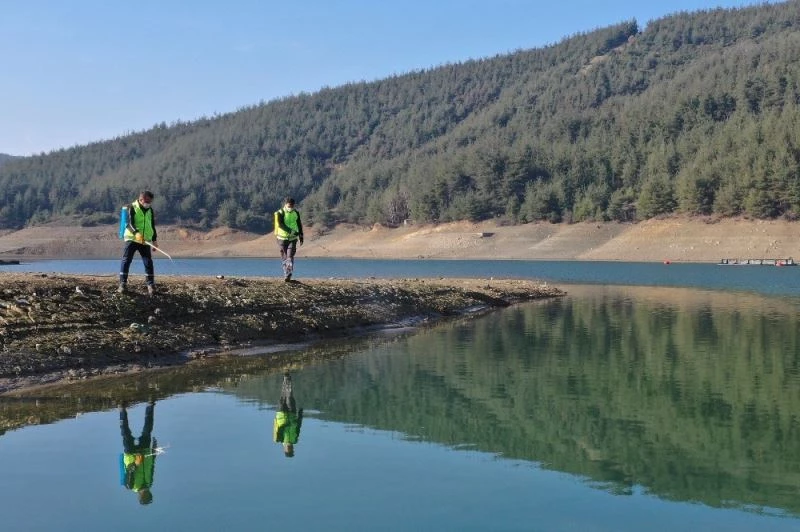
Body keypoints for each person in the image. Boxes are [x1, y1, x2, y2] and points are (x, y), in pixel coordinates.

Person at [119, 191, 158, 296]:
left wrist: (154, 240)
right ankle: (122, 284)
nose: (148, 203)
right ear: (141, 199)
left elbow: (152, 225)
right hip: (132, 238)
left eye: (150, 202)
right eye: (147, 201)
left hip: (145, 240)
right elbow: (128, 223)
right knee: (127, 260)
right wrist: (136, 233)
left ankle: (150, 285)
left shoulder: (150, 210)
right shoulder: (131, 207)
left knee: (148, 262)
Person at [119, 400, 157, 505]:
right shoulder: (150, 482)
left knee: (125, 433)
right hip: (145, 452)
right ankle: (150, 405)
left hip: (131, 454)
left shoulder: (130, 486)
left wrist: (136, 464)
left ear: (140, 496)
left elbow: (129, 472)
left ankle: (122, 410)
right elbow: (152, 466)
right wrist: (154, 451)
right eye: (148, 494)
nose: (146, 492)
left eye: (145, 495)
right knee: (148, 430)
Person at [273, 372, 303, 457]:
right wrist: (300, 415)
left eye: (289, 450)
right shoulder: (295, 440)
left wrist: (286, 424)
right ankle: (288, 377)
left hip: (281, 414)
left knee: (283, 396)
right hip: (292, 413)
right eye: (292, 450)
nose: (291, 448)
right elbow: (298, 427)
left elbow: (278, 428)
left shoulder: (278, 439)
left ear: (284, 450)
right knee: (289, 397)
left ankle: (285, 378)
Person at [273, 197, 304, 281]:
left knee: (290, 256)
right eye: (289, 205)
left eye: (292, 206)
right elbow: (280, 224)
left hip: (293, 239)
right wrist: (290, 231)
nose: (290, 207)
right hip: (281, 239)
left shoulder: (296, 213)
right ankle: (286, 272)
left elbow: (299, 224)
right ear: (285, 204)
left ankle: (288, 274)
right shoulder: (280, 213)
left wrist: (301, 236)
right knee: (285, 257)